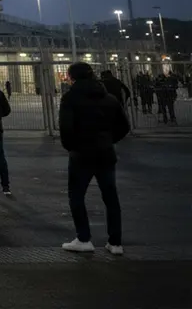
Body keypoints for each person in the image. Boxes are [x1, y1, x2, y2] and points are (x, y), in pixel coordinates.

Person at [60, 62, 129, 255]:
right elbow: (124, 126)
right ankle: (115, 242)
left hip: (81, 154)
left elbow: (66, 128)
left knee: (77, 195)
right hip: (106, 152)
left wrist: (72, 147)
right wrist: (108, 140)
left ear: (72, 77)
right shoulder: (109, 98)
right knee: (111, 198)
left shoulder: (70, 98)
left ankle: (83, 238)